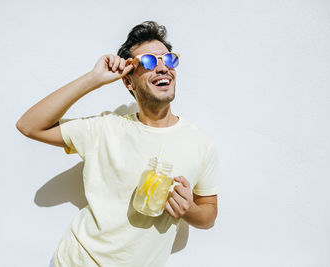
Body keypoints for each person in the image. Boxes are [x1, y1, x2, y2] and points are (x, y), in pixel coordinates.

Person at [16, 21, 218, 267]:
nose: (162, 68)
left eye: (168, 59)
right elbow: (29, 125)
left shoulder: (201, 142)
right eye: (149, 62)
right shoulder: (104, 128)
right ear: (129, 82)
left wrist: (189, 209)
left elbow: (208, 215)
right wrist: (93, 79)